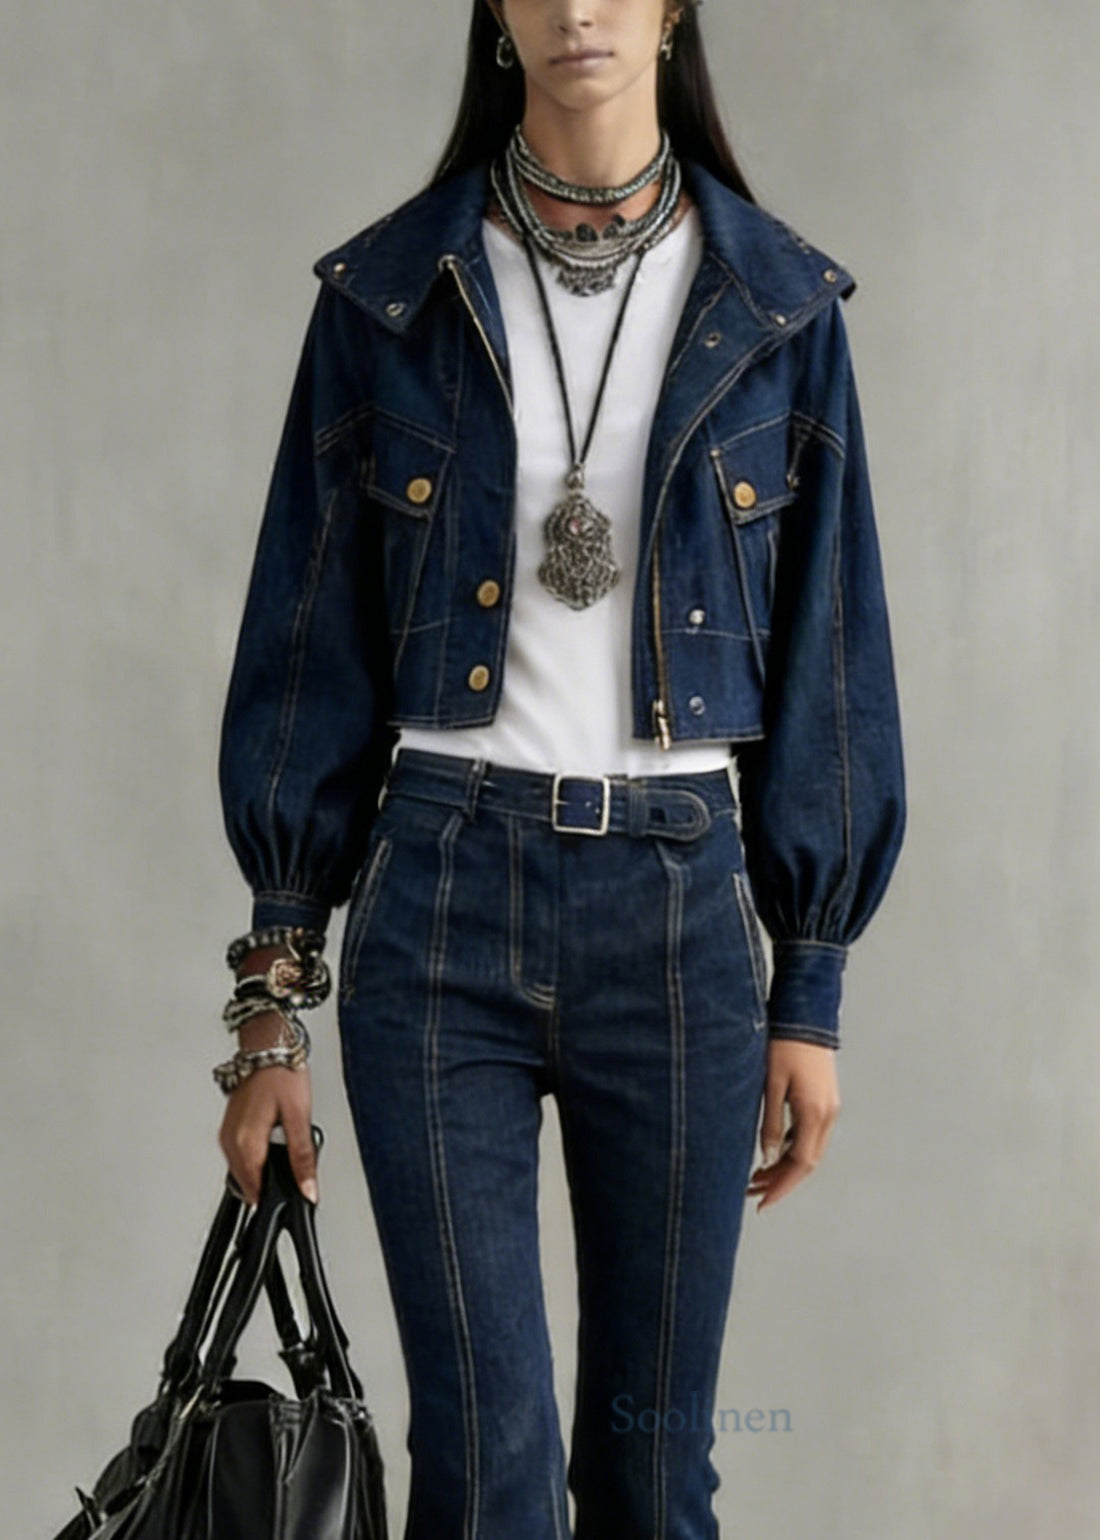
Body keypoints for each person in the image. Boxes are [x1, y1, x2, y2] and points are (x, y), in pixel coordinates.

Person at [214, 2, 906, 1535]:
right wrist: (271, 1009)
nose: (577, 9)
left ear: (673, 9)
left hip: (676, 917)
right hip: (438, 908)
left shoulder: (780, 310)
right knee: (485, 1475)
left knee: (654, 1477)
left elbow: (834, 663)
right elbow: (305, 656)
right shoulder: (390, 297)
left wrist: (810, 986)